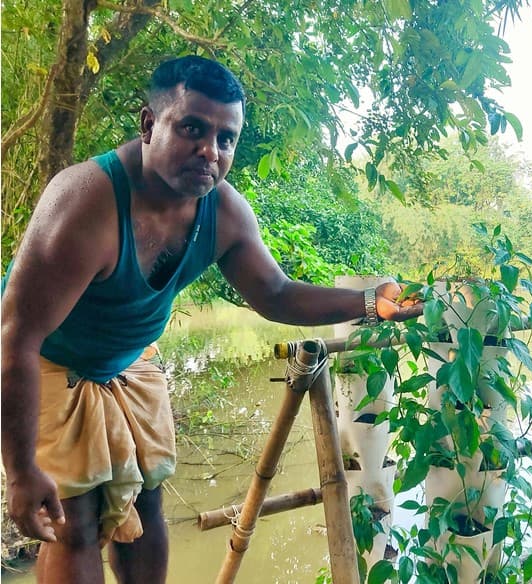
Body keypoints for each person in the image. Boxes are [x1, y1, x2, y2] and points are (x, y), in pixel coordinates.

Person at [1, 55, 419, 584]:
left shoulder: (223, 212)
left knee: (148, 504)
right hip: (48, 361)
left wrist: (368, 303)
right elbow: (15, 336)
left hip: (130, 362)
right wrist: (19, 472)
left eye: (226, 138)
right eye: (193, 128)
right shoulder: (85, 203)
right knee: (75, 521)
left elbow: (276, 293)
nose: (210, 151)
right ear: (150, 124)